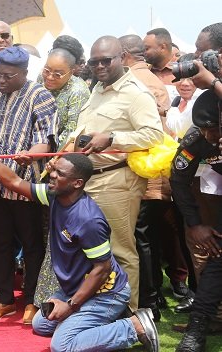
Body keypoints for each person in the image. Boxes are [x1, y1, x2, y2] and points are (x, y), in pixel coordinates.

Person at [0, 138, 160, 352]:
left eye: (60, 174)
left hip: (106, 292)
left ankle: (133, 326)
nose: (53, 175)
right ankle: (94, 321)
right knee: (41, 323)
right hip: (77, 288)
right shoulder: (54, 195)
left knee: (62, 345)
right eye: (54, 169)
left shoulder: (88, 220)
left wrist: (71, 305)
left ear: (78, 183)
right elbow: (14, 182)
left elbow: (102, 270)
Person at [73, 36, 165, 311]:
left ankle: (130, 317)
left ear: (122, 57)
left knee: (120, 251)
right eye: (94, 62)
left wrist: (112, 138)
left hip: (117, 180)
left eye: (106, 60)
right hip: (90, 180)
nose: (99, 66)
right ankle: (103, 315)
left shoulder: (135, 92)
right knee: (95, 252)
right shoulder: (97, 88)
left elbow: (154, 135)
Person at [0, 46, 57, 324]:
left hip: (25, 186)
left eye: (8, 76)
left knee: (32, 244)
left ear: (24, 73)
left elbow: (45, 139)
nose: (1, 80)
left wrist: (31, 153)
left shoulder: (40, 97)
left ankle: (31, 301)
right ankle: (5, 300)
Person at [119, 34, 190, 320]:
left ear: (123, 55)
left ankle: (150, 299)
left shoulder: (131, 84)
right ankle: (158, 294)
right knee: (155, 236)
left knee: (142, 237)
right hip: (159, 169)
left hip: (142, 170)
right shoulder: (157, 83)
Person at [32, 47, 90, 308]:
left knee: (62, 231)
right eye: (47, 70)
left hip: (64, 166)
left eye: (58, 73)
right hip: (42, 161)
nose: (50, 77)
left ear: (72, 71)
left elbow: (71, 132)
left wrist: (55, 159)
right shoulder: (38, 82)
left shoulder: (77, 91)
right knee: (45, 229)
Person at [171, 90, 222, 352]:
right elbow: (178, 180)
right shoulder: (196, 140)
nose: (208, 136)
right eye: (203, 129)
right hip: (215, 206)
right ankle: (198, 328)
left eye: (213, 129)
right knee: (216, 262)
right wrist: (195, 224)